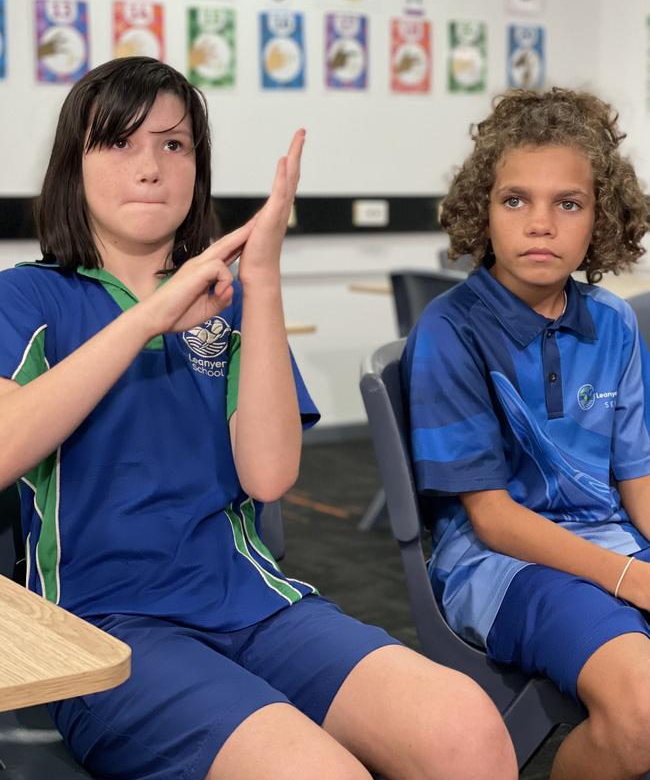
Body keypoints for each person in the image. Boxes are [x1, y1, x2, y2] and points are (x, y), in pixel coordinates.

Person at [0, 57, 515, 780]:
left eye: (173, 144)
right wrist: (150, 317)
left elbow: (269, 475)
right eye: (118, 142)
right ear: (71, 168)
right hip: (109, 630)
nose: (150, 166)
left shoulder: (232, 301)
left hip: (257, 601)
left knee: (469, 732)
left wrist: (263, 281)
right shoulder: (27, 298)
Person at [401, 87, 650, 779]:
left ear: (600, 218)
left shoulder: (615, 322)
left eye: (567, 203)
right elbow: (495, 520)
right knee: (643, 715)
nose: (541, 223)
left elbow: (638, 480)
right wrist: (632, 577)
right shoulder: (451, 331)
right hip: (501, 568)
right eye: (516, 200)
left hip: (609, 545)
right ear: (483, 210)